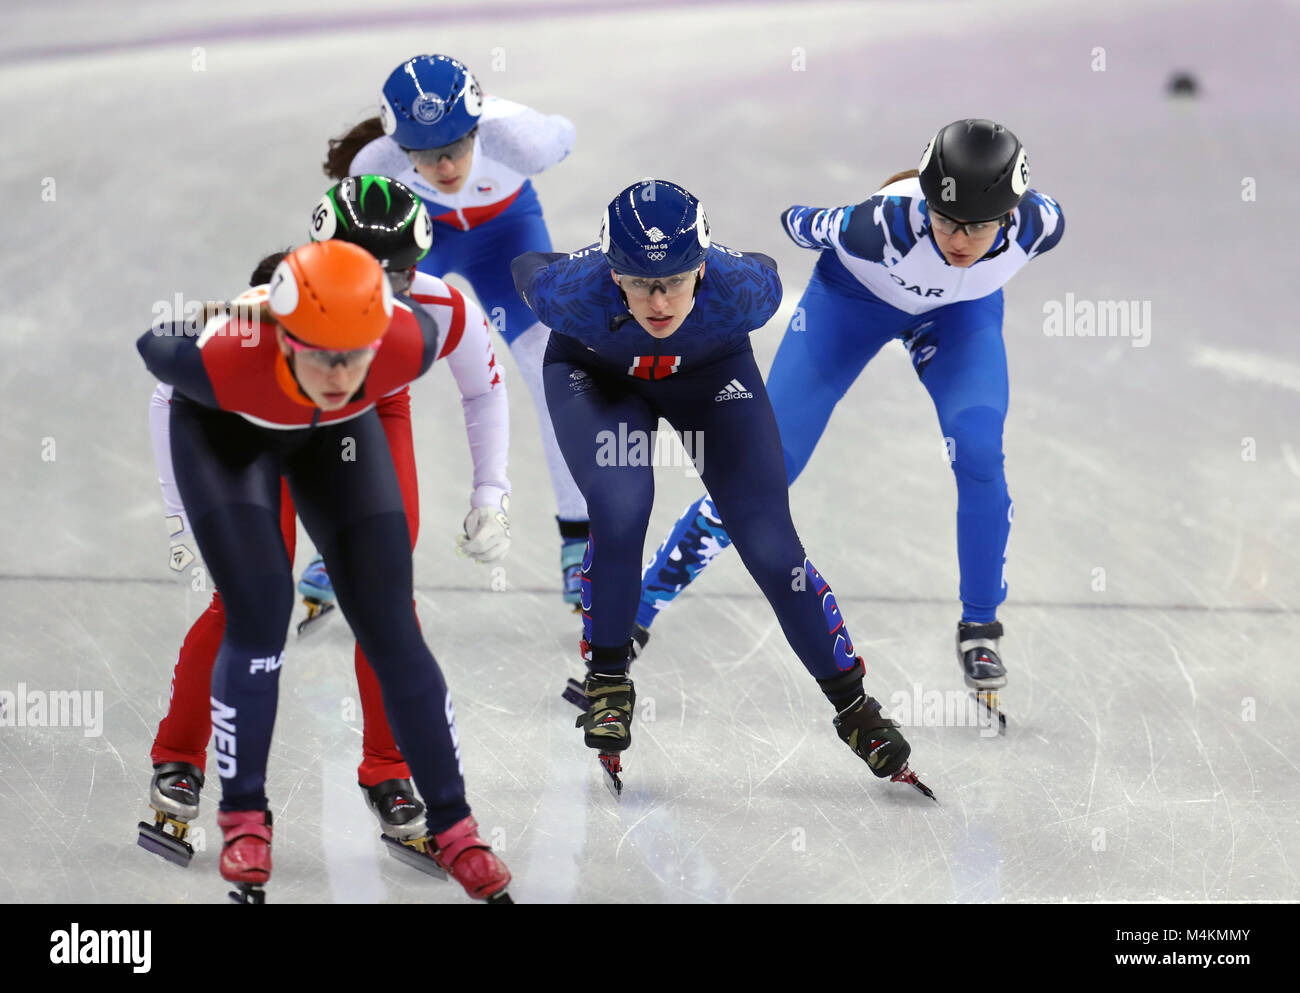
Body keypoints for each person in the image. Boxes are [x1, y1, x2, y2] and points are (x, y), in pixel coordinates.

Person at [511, 180, 932, 799]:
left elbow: (764, 263)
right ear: (610, 270)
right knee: (621, 510)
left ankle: (855, 709)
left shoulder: (746, 291)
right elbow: (530, 266)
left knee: (771, 547)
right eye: (638, 281)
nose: (658, 301)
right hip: (597, 379)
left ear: (703, 265)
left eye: (676, 280)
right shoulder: (569, 293)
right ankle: (607, 681)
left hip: (709, 377)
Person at [139, 176, 511, 871]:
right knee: (248, 603)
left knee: (385, 606)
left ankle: (389, 764)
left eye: (400, 272)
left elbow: (484, 389)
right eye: (370, 271)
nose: (388, 288)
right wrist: (177, 510)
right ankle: (182, 754)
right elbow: (176, 386)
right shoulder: (266, 319)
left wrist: (493, 489)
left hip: (361, 421)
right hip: (255, 425)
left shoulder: (434, 314)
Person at [635, 120, 1065, 711]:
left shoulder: (1041, 225)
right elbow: (797, 221)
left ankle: (981, 627)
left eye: (978, 226)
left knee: (980, 450)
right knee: (766, 471)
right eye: (944, 220)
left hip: (958, 318)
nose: (958, 240)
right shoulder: (879, 226)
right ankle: (638, 608)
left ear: (1010, 215)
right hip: (851, 304)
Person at [322, 53, 589, 605]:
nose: (444, 166)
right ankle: (342, 537)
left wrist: (546, 130)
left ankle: (581, 541)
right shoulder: (374, 166)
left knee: (554, 371)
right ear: (401, 145)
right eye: (424, 153)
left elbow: (566, 134)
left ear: (478, 126)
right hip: (422, 239)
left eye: (457, 146)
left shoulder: (523, 140)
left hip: (509, 233)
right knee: (364, 362)